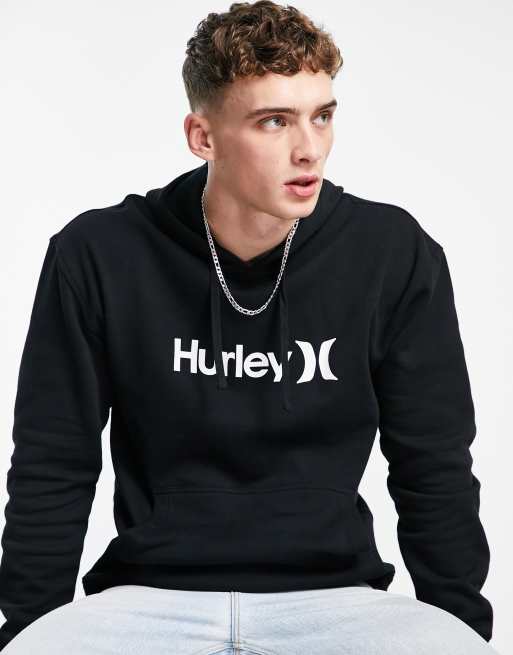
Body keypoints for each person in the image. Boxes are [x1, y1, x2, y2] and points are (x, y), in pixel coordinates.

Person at [0, 1, 499, 653]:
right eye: (274, 121)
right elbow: (53, 461)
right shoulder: (99, 254)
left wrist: (459, 628)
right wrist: (28, 630)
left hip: (337, 599)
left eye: (322, 116)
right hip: (148, 598)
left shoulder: (390, 252)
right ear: (202, 136)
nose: (308, 149)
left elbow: (432, 461)